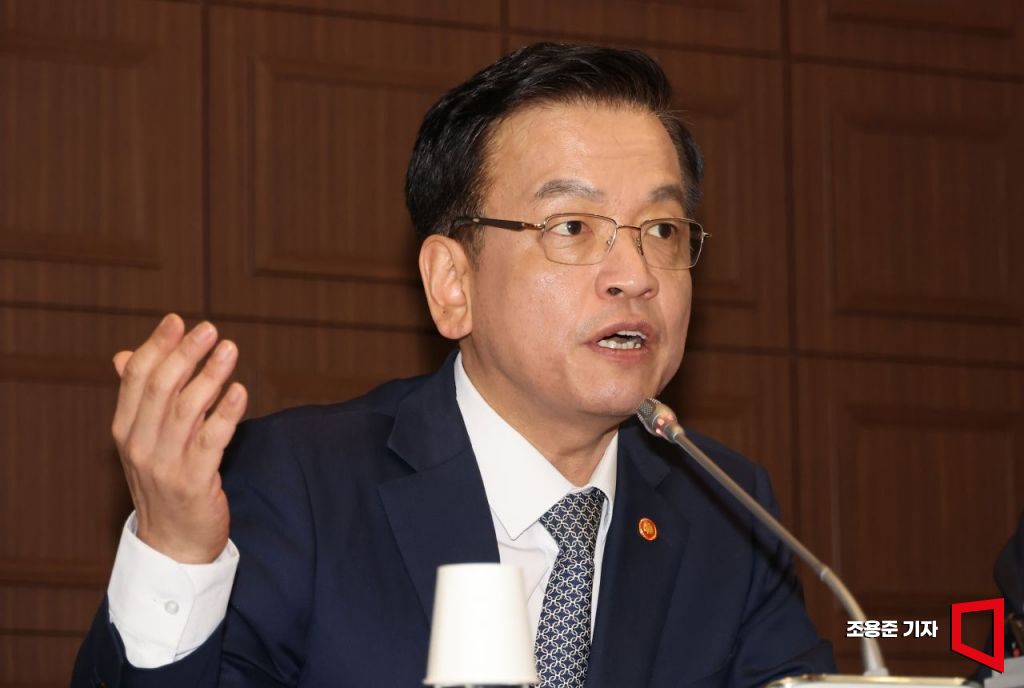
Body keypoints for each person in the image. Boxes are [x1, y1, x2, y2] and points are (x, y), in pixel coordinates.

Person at [72, 43, 835, 687]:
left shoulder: (728, 513)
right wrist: (175, 553)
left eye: (662, 230)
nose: (635, 275)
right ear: (452, 285)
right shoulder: (301, 486)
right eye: (573, 226)